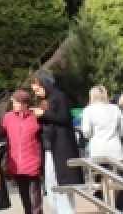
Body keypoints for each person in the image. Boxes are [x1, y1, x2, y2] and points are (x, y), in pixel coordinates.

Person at [30, 71, 82, 214]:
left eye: (38, 89)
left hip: (61, 146)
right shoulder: (46, 99)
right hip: (49, 147)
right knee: (51, 182)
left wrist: (43, 114)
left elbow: (64, 118)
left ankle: (66, 211)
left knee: (62, 183)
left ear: (45, 84)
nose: (36, 93)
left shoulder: (59, 96)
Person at [80, 86, 123, 212]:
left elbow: (86, 131)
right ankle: (120, 207)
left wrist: (92, 136)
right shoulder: (115, 108)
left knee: (100, 180)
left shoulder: (88, 110)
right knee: (117, 179)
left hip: (98, 149)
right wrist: (116, 135)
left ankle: (104, 206)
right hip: (115, 148)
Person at [0, 89, 42, 214]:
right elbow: (2, 133)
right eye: (13, 102)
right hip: (16, 164)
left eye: (16, 102)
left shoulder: (35, 116)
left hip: (32, 161)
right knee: (24, 195)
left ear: (25, 103)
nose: (14, 105)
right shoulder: (8, 117)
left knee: (35, 196)